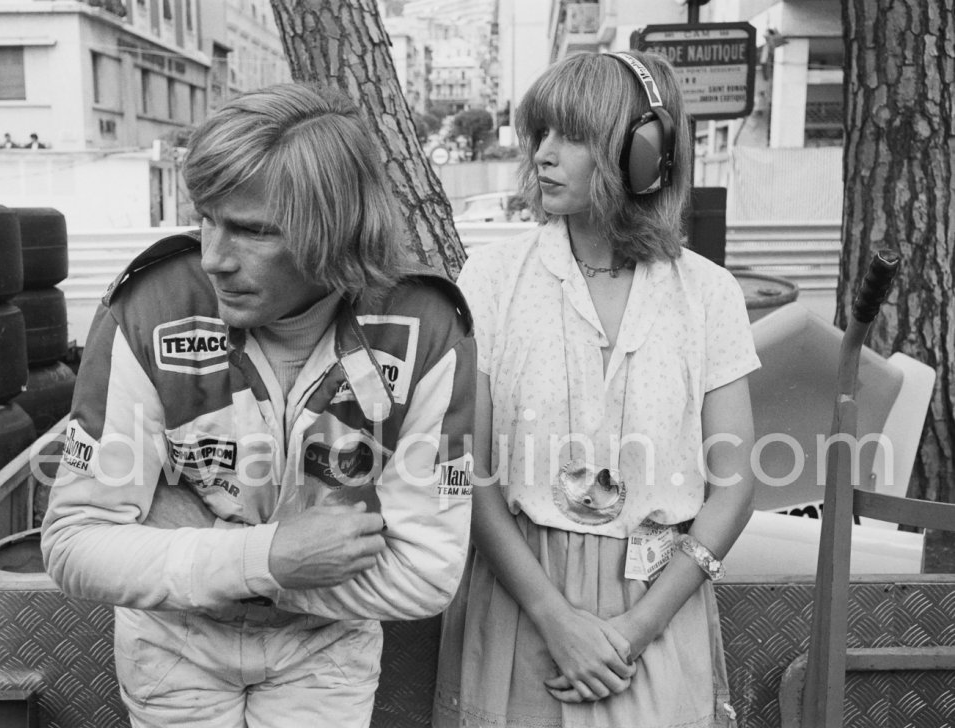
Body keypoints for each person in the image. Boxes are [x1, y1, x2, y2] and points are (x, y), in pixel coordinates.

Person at [41, 83, 476, 727]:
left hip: (324, 654)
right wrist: (269, 557)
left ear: (334, 234)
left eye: (250, 230)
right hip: (173, 645)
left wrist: (186, 540)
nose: (213, 258)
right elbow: (75, 544)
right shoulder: (150, 306)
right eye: (207, 218)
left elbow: (426, 575)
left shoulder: (426, 325)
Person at [434, 50, 759, 727]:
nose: (544, 155)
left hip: (660, 602)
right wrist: (556, 618)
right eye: (541, 134)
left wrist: (638, 628)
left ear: (643, 154)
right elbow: (469, 471)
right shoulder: (492, 281)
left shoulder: (708, 294)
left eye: (572, 136)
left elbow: (734, 486)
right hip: (523, 593)